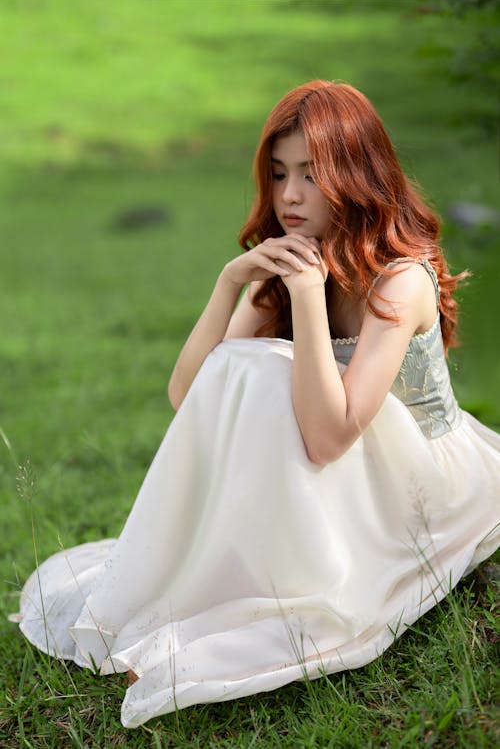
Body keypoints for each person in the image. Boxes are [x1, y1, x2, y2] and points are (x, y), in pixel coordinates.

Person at [10, 80, 500, 729]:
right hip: (343, 476)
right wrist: (230, 283)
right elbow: (193, 397)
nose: (290, 196)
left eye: (310, 174)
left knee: (270, 370)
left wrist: (305, 300)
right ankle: (208, 588)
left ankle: (271, 596)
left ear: (356, 175)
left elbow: (330, 437)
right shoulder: (288, 261)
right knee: (247, 367)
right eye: (278, 175)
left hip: (419, 480)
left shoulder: (399, 279)